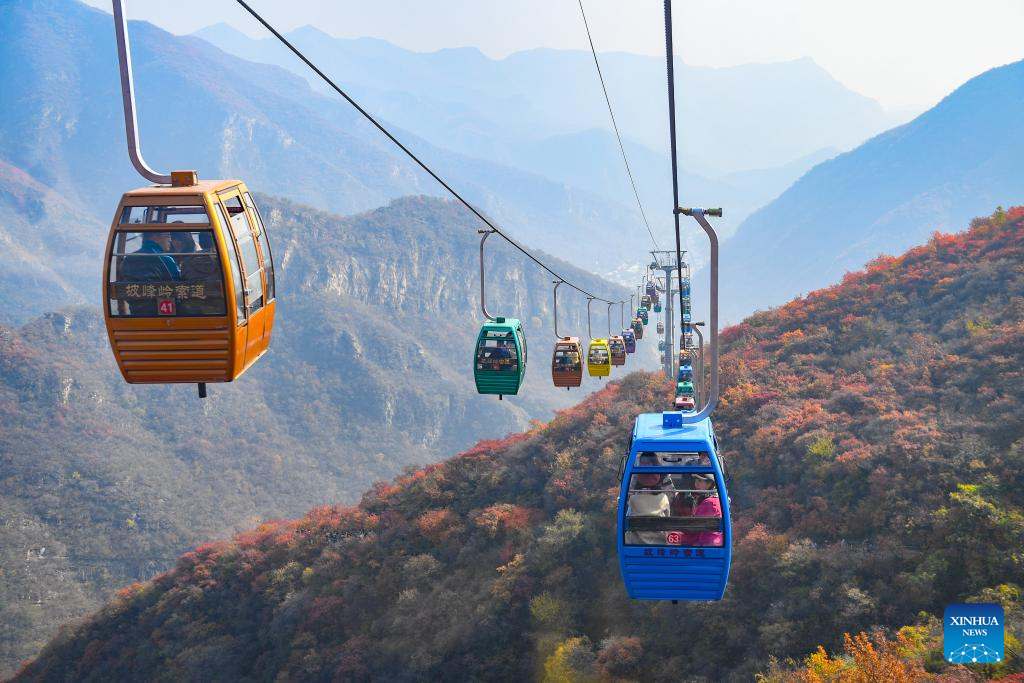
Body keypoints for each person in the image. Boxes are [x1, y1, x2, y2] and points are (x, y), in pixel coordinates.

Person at [119, 231, 181, 315]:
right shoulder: (165, 260)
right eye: (167, 236)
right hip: (163, 315)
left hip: (136, 313)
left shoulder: (128, 259)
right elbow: (178, 284)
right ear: (154, 236)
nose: (170, 240)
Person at [624, 452, 675, 545]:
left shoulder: (636, 475)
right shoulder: (663, 496)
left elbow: (628, 503)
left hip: (637, 539)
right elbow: (668, 510)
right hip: (659, 538)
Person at [179, 232, 226, 315]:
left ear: (200, 243)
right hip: (222, 309)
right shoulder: (224, 261)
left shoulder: (186, 262)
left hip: (191, 312)